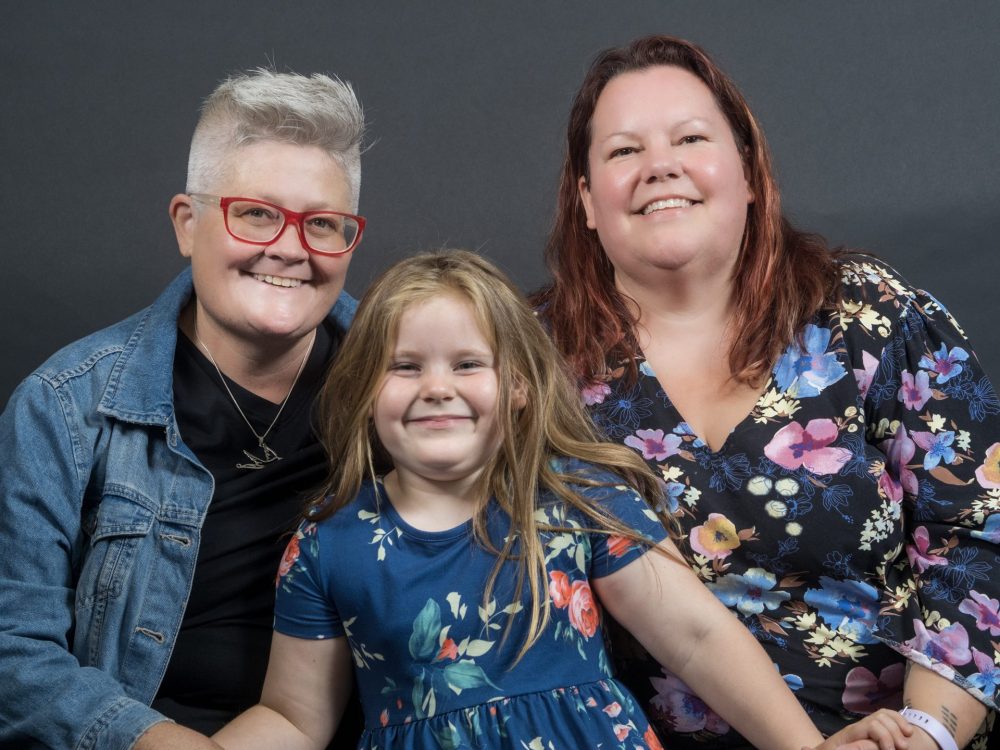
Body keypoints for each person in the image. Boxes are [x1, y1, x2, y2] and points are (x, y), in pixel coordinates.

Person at [212, 249, 911, 750]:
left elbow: (697, 638)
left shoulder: (574, 498)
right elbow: (296, 718)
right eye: (404, 367)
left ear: (518, 387)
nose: (437, 387)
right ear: (365, 391)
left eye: (466, 364)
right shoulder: (329, 541)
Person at [533, 34, 1000, 749]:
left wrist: (926, 733)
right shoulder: (525, 361)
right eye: (624, 151)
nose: (660, 166)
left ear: (750, 173)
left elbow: (978, 537)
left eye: (690, 137)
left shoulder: (868, 316)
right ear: (587, 201)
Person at [0, 70, 367, 748]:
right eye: (255, 213)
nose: (289, 249)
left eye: (321, 224)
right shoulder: (64, 408)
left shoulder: (404, 389)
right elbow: (12, 652)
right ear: (187, 224)